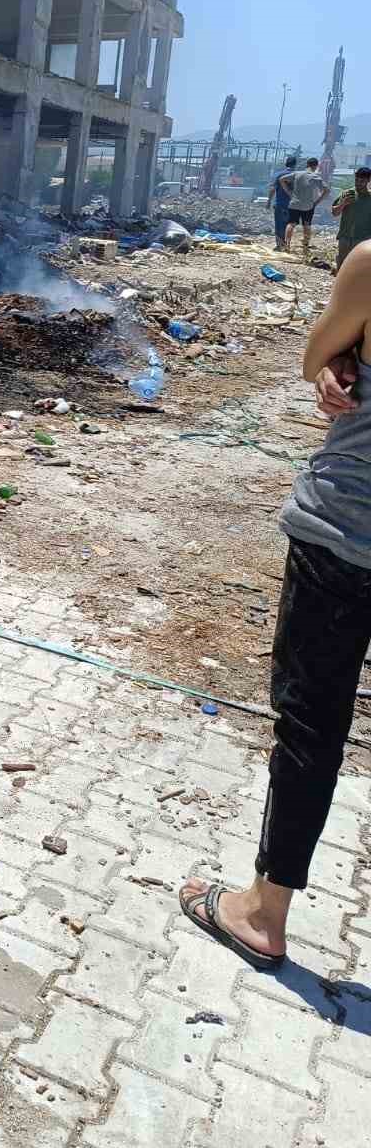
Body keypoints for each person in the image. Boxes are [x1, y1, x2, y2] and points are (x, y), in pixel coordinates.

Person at [178, 243, 371, 969]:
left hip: (347, 536)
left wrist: (335, 363)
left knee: (313, 728)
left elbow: (313, 358)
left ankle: (263, 914)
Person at [283, 156, 330, 255]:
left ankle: (286, 245)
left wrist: (289, 193)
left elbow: (282, 179)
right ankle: (305, 246)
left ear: (307, 164)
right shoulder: (315, 176)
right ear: (316, 166)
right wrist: (317, 201)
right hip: (308, 206)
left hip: (294, 203)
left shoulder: (297, 173)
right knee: (307, 225)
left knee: (291, 223)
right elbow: (327, 190)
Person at [331, 167, 371, 269]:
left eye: (362, 181)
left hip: (363, 239)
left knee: (359, 267)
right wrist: (343, 204)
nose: (358, 183)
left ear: (368, 180)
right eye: (357, 180)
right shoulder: (347, 193)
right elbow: (335, 212)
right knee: (342, 266)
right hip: (345, 237)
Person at [268, 153, 297, 251]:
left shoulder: (278, 175)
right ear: (295, 164)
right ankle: (287, 245)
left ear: (286, 164)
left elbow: (272, 189)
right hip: (292, 205)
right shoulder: (297, 175)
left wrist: (268, 201)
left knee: (279, 224)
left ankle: (279, 245)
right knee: (288, 225)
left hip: (280, 204)